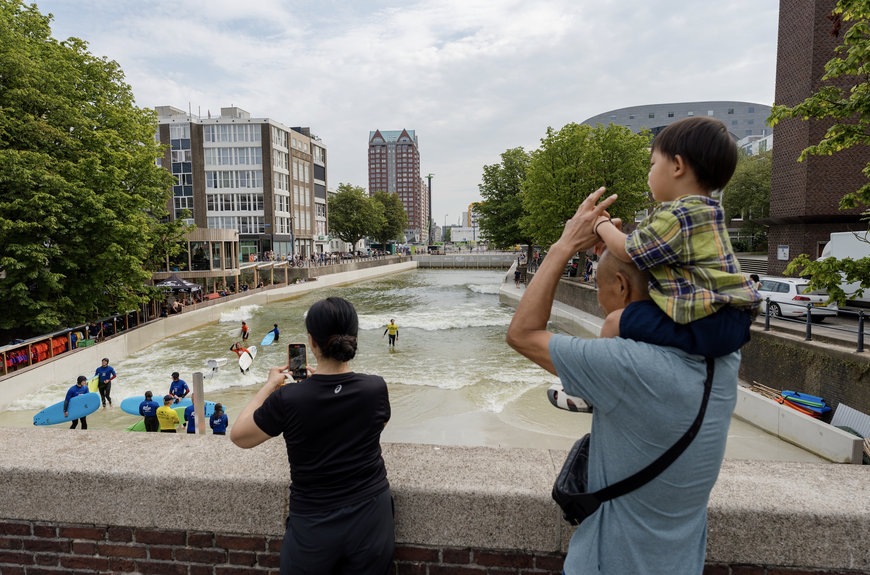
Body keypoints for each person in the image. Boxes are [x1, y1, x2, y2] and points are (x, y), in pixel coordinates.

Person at [506, 193, 739, 575]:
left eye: (599, 288)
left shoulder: (627, 369)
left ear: (619, 287)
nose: (598, 301)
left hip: (605, 563)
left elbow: (523, 333)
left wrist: (563, 246)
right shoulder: (725, 358)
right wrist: (627, 250)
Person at [231, 297, 394, 575]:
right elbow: (376, 425)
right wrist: (327, 385)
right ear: (353, 338)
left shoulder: (289, 398)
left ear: (312, 342)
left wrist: (269, 386)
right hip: (372, 518)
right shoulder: (375, 388)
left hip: (314, 524)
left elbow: (240, 436)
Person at [593, 117, 760, 357]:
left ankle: (597, 386)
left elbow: (628, 250)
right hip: (731, 318)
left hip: (710, 320)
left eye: (652, 164)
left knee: (614, 323)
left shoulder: (680, 215)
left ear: (677, 166)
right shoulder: (704, 210)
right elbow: (642, 244)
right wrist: (613, 236)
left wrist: (601, 224)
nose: (649, 172)